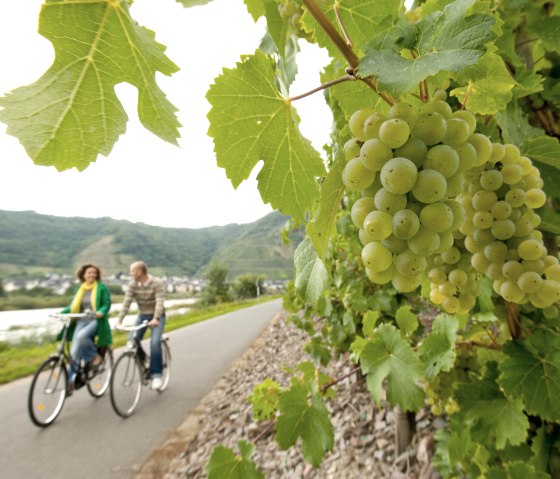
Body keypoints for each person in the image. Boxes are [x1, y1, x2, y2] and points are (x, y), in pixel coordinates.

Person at [59, 264, 112, 396]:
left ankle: (95, 358)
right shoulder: (80, 289)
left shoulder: (101, 288)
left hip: (95, 321)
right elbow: (73, 307)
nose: (92, 275)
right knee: (74, 352)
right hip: (80, 321)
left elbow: (106, 303)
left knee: (82, 337)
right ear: (83, 275)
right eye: (89, 273)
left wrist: (100, 311)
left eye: (94, 273)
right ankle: (70, 382)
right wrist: (61, 313)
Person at [116, 261, 166, 390]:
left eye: (132, 271)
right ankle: (144, 360)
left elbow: (159, 302)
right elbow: (126, 303)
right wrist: (119, 320)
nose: (130, 273)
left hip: (157, 316)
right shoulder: (133, 284)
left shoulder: (157, 283)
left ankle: (156, 375)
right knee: (132, 341)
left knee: (154, 343)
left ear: (139, 272)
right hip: (143, 315)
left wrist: (155, 318)